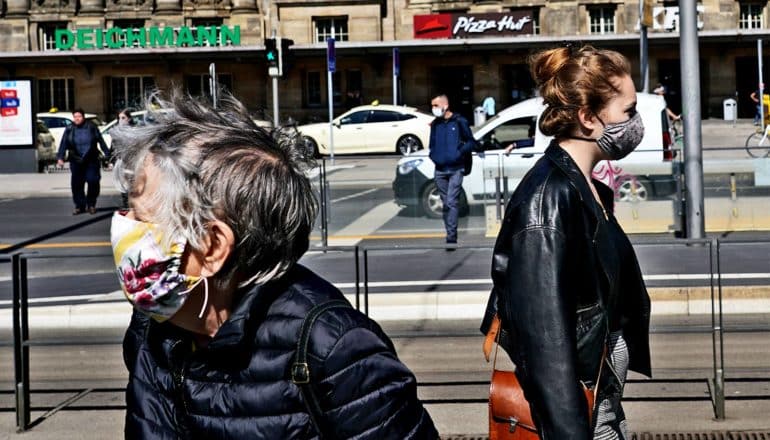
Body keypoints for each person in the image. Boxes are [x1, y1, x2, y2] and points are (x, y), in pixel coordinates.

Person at [112, 89, 438, 439]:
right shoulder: (153, 328)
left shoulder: (332, 348)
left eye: (142, 218)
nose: (123, 223)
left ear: (213, 247)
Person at [480, 45, 651, 438]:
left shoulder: (588, 189)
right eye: (628, 111)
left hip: (602, 407)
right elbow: (546, 345)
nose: (635, 123)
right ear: (588, 118)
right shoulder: (547, 201)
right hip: (581, 420)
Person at [428, 94, 477, 247]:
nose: (433, 109)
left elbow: (471, 141)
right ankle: (449, 232)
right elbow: (432, 143)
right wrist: (434, 155)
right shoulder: (436, 124)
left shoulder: (460, 121)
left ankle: (451, 236)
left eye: (435, 106)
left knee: (451, 202)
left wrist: (459, 152)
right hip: (440, 170)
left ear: (445, 106)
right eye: (432, 106)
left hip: (456, 168)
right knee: (446, 203)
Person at [56, 108, 110, 215]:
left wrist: (107, 154)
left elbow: (100, 141)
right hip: (76, 160)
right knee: (77, 184)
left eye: (79, 117)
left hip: (91, 159)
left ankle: (91, 204)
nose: (77, 119)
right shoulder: (69, 129)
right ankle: (80, 206)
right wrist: (60, 157)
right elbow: (64, 143)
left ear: (83, 117)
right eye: (75, 117)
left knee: (93, 181)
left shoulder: (91, 127)